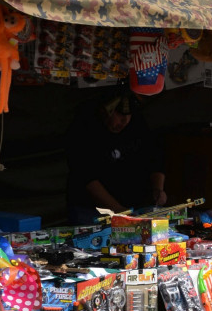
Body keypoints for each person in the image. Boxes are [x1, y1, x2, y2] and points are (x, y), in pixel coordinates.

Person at [66, 92, 166, 224]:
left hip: (131, 208)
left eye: (128, 115)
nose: (124, 121)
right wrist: (118, 210)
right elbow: (86, 176)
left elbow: (154, 157)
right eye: (119, 115)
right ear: (106, 111)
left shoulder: (137, 124)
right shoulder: (83, 129)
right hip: (91, 213)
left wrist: (158, 189)